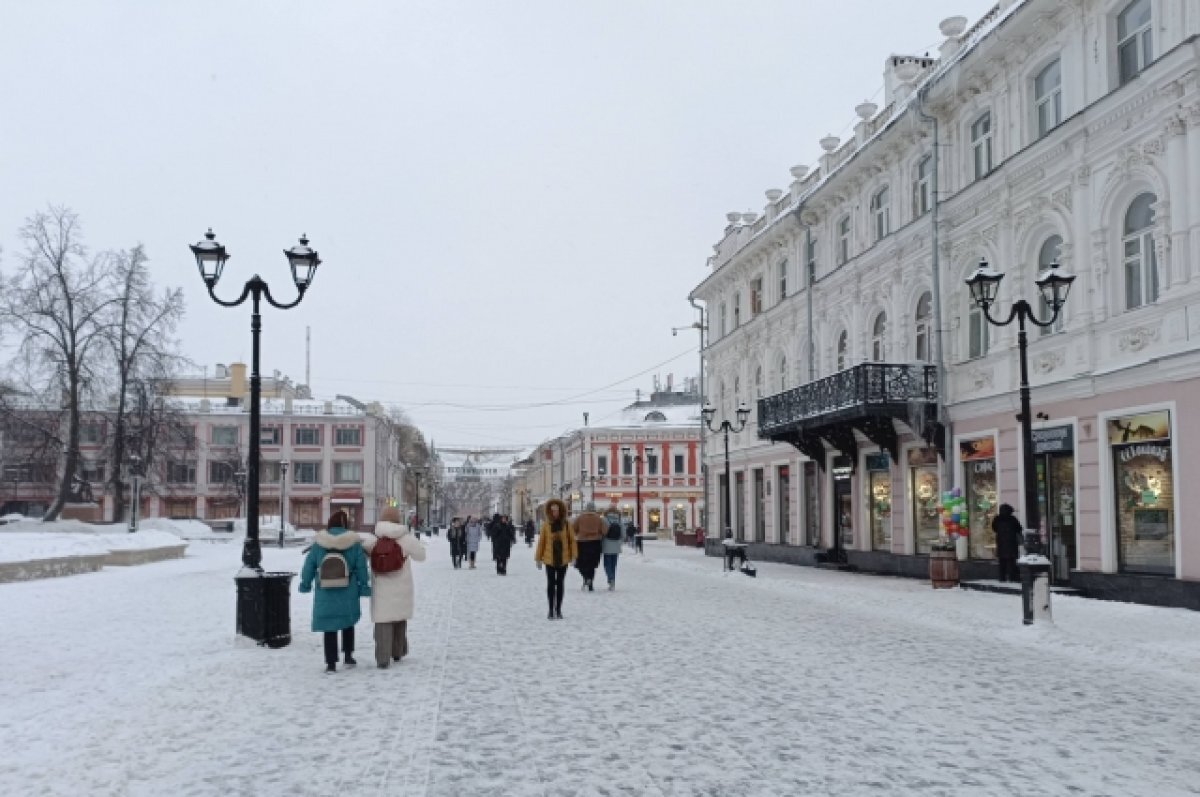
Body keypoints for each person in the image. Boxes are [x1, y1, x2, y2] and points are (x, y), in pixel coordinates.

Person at [298, 510, 371, 673]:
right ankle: (348, 656)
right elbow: (361, 567)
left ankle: (331, 663)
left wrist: (305, 584)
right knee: (347, 621)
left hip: (325, 589)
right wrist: (364, 586)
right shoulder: (353, 543)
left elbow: (309, 565)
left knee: (329, 625)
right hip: (348, 589)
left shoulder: (319, 543)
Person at [361, 507, 427, 668]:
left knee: (383, 621)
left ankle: (382, 658)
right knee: (399, 617)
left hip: (381, 587)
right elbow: (421, 556)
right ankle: (397, 652)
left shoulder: (374, 538)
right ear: (398, 519)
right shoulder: (406, 538)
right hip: (401, 586)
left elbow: (363, 551)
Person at [535, 498, 577, 620]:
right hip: (549, 559)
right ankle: (550, 610)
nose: (555, 513)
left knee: (560, 583)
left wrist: (574, 556)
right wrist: (538, 558)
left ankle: (558, 609)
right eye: (553, 511)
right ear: (549, 511)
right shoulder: (546, 525)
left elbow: (572, 541)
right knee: (550, 584)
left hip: (563, 559)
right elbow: (541, 542)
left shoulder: (567, 524)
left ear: (561, 511)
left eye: (557, 511)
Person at [572, 503, 607, 591]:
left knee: (580, 563)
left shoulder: (580, 518)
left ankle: (586, 578)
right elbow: (605, 531)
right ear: (594, 509)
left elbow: (573, 528)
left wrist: (578, 533)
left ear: (586, 509)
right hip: (595, 543)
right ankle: (590, 581)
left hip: (582, 543)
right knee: (592, 564)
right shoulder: (599, 518)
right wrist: (598, 533)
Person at [993, 503, 1024, 583]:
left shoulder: (997, 519)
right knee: (1011, 561)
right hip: (1011, 543)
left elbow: (994, 528)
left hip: (1001, 542)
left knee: (1002, 561)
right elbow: (1019, 528)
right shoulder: (1012, 519)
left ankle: (1002, 577)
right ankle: (1012, 577)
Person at [601, 510, 624, 590]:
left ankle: (610, 579)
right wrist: (620, 541)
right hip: (616, 546)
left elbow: (602, 532)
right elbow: (623, 534)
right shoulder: (619, 520)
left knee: (607, 565)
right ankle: (612, 580)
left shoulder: (604, 520)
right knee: (613, 565)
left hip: (607, 545)